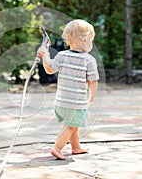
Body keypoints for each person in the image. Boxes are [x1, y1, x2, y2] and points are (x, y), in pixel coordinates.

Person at [37, 19, 99, 160]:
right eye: (91, 40)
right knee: (71, 126)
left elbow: (49, 69)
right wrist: (92, 96)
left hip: (61, 102)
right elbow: (92, 81)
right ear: (84, 40)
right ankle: (57, 147)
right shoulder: (89, 60)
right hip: (76, 102)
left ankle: (76, 147)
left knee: (73, 124)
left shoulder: (62, 55)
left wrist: (45, 55)